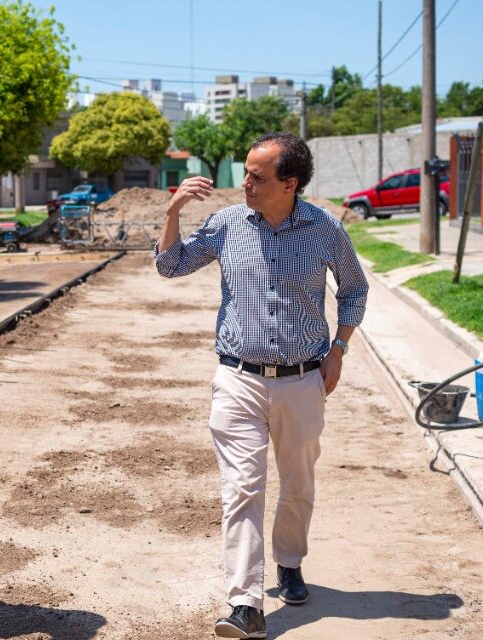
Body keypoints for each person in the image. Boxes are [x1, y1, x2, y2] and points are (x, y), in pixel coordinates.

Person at [155, 132, 369, 639]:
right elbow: (170, 265)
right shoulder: (228, 224)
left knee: (297, 486)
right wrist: (173, 214)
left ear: (289, 183)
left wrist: (338, 349)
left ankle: (289, 562)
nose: (244, 183)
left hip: (302, 380)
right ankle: (244, 603)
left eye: (256, 176)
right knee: (242, 489)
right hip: (237, 379)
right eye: (245, 172)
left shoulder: (324, 229)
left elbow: (355, 289)